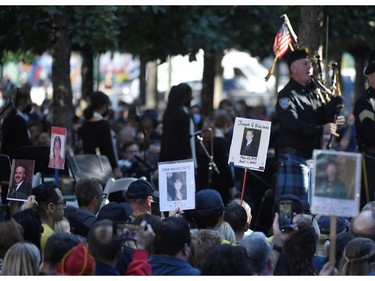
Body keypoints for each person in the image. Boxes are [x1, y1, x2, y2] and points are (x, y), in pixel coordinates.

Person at [275, 49, 345, 201]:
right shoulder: (287, 95)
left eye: (311, 63)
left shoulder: (313, 93)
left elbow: (321, 118)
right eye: (305, 63)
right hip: (294, 158)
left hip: (313, 158)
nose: (310, 66)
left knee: (309, 210)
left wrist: (334, 120)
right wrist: (322, 129)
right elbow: (292, 124)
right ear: (294, 69)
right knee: (292, 208)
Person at [78, 91, 122, 178]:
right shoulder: (103, 124)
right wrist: (115, 168)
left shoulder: (85, 124)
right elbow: (108, 149)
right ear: (103, 106)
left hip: (87, 166)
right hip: (103, 169)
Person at [354, 48, 375, 209]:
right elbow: (370, 132)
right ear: (370, 76)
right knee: (370, 206)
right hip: (371, 159)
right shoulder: (364, 102)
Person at [159, 83, 197, 166]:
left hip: (167, 159)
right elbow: (185, 139)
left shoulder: (168, 114)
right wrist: (190, 160)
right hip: (182, 160)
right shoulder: (183, 116)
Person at [32, 183, 66, 254]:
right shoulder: (50, 238)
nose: (64, 207)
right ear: (51, 207)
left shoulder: (33, 230)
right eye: (62, 202)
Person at [0, 87, 32, 160]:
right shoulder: (18, 120)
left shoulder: (8, 118)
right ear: (23, 101)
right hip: (16, 163)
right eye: (29, 100)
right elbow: (26, 145)